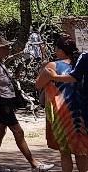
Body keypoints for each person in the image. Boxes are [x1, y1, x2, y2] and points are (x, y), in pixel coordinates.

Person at [0, 34, 54, 172]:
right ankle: (34, 164)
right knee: (18, 131)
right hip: (1, 103)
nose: (8, 49)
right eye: (4, 47)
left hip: (5, 102)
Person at [35, 34, 87, 172]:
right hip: (81, 111)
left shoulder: (53, 65)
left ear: (60, 51)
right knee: (81, 150)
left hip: (62, 111)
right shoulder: (80, 64)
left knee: (65, 151)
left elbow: (38, 85)